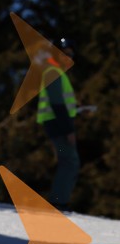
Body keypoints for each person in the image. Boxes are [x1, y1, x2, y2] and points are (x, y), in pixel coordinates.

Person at [37, 37, 79, 209]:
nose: (68, 57)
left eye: (70, 53)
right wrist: (69, 130)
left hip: (56, 124)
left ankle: (59, 201)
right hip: (57, 126)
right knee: (69, 161)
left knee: (67, 161)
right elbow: (57, 105)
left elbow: (62, 102)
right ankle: (58, 203)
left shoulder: (55, 71)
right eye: (65, 53)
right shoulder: (52, 71)